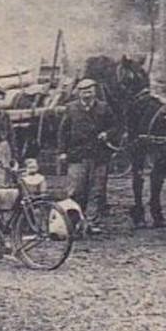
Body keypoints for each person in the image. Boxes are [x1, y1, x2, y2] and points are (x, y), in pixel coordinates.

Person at [57, 78, 116, 234]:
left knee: (97, 190)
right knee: (76, 190)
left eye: (90, 90)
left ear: (95, 91)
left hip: (99, 156)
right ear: (78, 93)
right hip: (78, 155)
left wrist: (107, 134)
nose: (87, 93)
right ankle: (74, 222)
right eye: (83, 91)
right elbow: (63, 132)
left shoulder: (104, 108)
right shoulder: (71, 109)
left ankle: (92, 222)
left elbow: (116, 127)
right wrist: (62, 152)